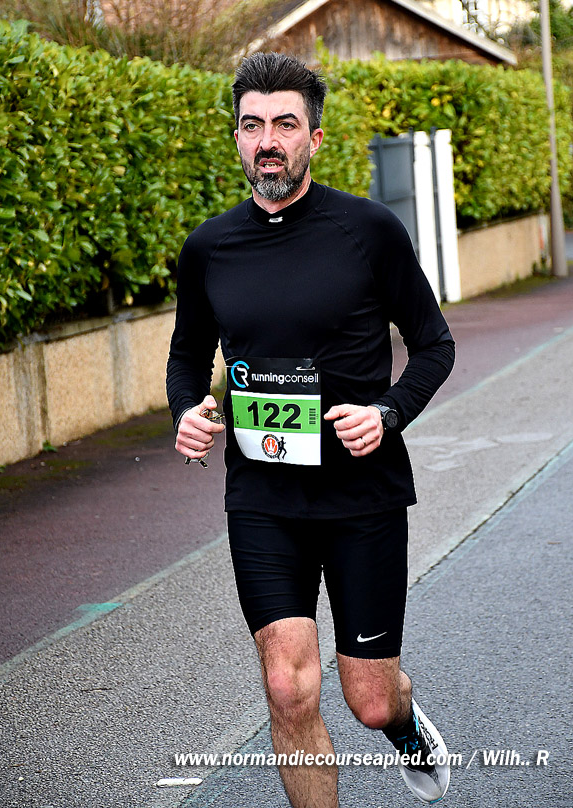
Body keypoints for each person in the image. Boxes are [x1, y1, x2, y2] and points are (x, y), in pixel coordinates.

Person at [166, 52, 455, 807]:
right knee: (287, 687)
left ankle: (403, 720)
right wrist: (186, 412)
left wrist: (387, 412)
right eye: (252, 124)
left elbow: (434, 345)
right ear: (236, 137)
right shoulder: (209, 247)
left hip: (362, 495)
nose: (268, 140)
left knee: (368, 700)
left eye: (284, 124)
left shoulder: (368, 230)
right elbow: (187, 357)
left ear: (314, 139)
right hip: (262, 494)